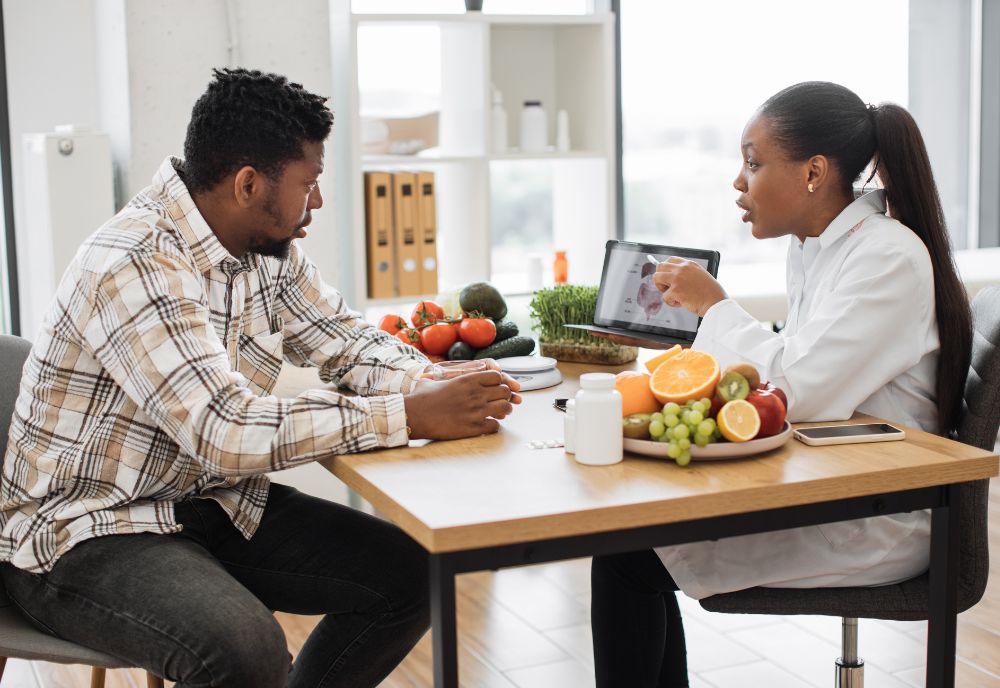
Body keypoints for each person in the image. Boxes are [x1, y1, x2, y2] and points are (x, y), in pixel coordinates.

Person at [0, 68, 521, 688]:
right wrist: (407, 416)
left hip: (204, 499)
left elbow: (344, 339)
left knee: (412, 577)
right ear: (249, 183)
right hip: (85, 529)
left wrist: (428, 382)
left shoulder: (266, 254)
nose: (318, 201)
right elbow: (225, 429)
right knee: (244, 650)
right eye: (310, 182)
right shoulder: (135, 261)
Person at [590, 81, 972, 688]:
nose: (738, 183)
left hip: (877, 512)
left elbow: (798, 390)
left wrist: (714, 308)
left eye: (752, 162)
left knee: (627, 553)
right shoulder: (817, 247)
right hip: (831, 476)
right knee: (630, 539)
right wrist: (694, 343)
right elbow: (793, 362)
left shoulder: (887, 257)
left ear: (814, 172)